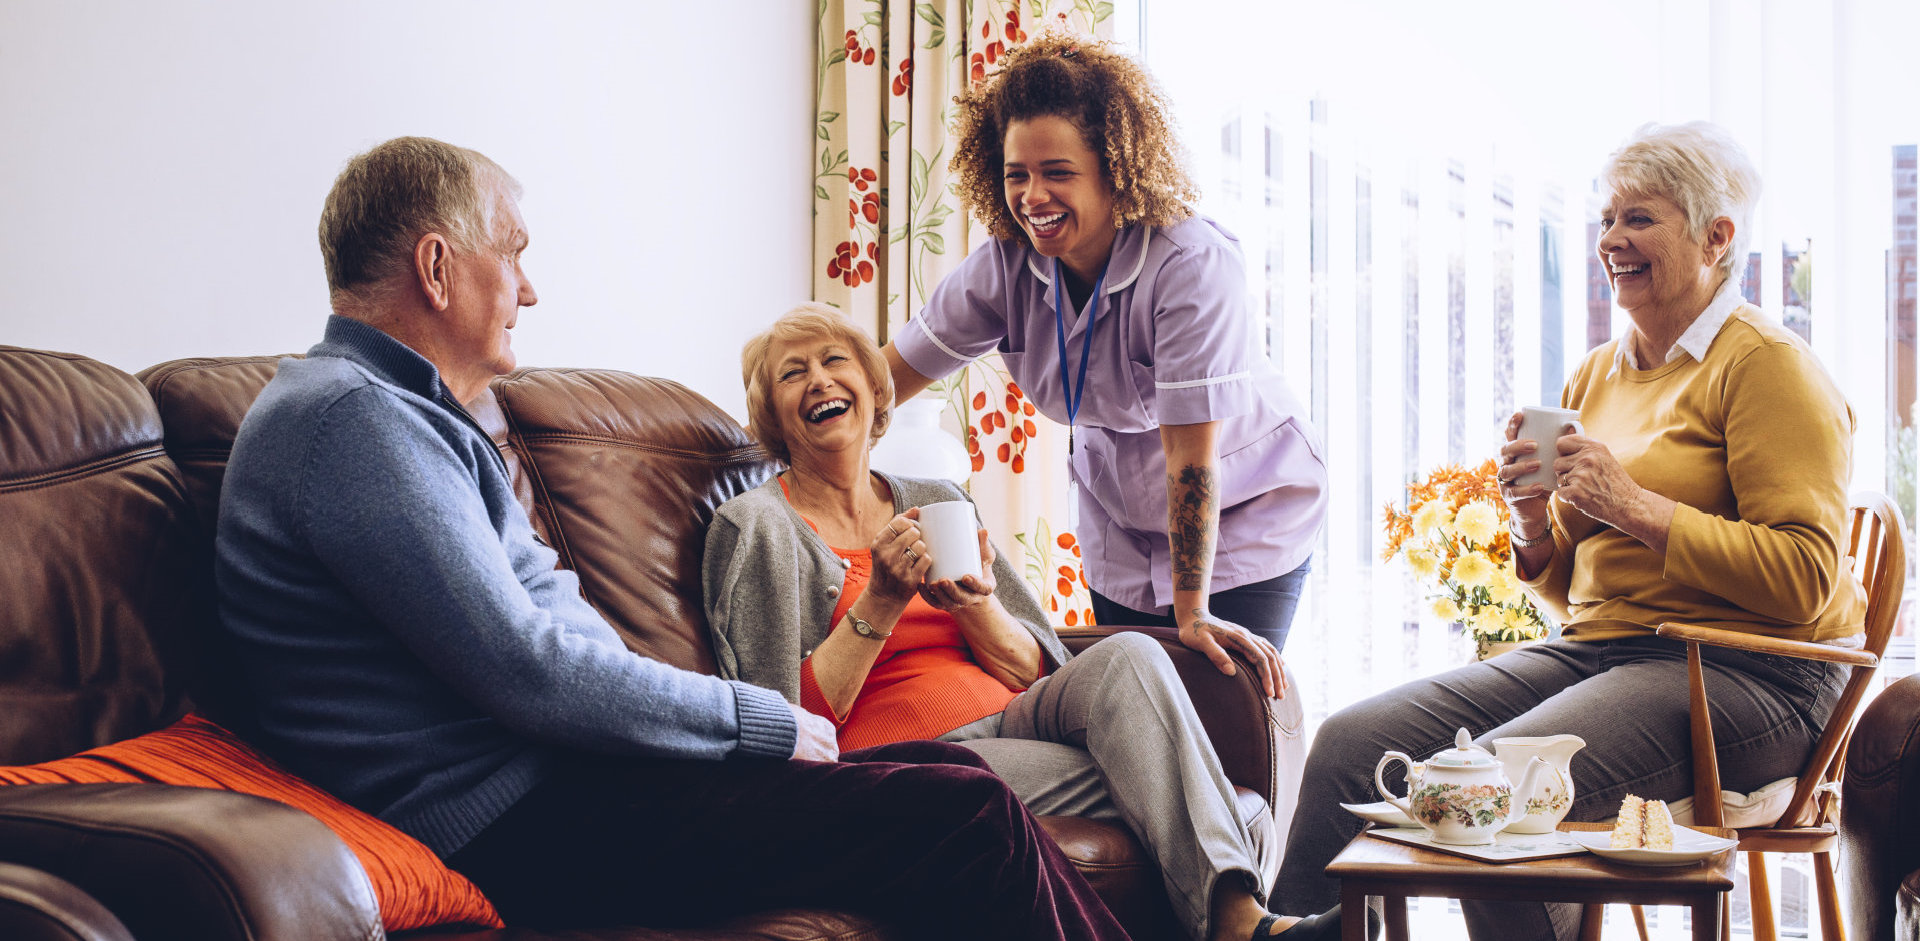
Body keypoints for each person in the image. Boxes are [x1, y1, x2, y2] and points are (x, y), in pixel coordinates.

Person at [215, 136, 1130, 939]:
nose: (529, 289)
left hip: (572, 781)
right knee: (961, 811)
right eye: (514, 254)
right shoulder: (351, 420)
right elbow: (529, 667)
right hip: (519, 818)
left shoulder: (413, 417)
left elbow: (555, 644)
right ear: (438, 267)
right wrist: (753, 720)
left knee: (944, 774)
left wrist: (704, 731)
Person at [1270, 121, 1864, 941]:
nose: (1611, 241)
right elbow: (1573, 590)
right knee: (1348, 743)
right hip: (1610, 647)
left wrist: (1633, 505)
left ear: (1716, 238)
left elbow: (1803, 579)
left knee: (1498, 782)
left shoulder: (1766, 364)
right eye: (1607, 220)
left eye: (1639, 219)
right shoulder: (1599, 371)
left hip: (1755, 673)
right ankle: (1292, 934)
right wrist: (1532, 527)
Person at [704, 303, 1355, 941]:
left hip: (1017, 721)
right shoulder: (758, 525)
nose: (818, 378)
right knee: (1211, 797)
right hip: (899, 760)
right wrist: (881, 599)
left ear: (875, 390)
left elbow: (1041, 667)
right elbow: (781, 722)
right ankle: (1245, 924)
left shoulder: (936, 498)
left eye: (834, 359)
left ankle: (1247, 920)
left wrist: (974, 602)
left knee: (1130, 655)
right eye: (793, 373)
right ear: (774, 417)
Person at [881, 33, 1326, 685]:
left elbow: (1191, 460)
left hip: (1242, 514)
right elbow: (880, 380)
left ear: (1115, 169)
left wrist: (1193, 610)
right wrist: (778, 441)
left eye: (1058, 173)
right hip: (1120, 524)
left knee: (1222, 711)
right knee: (1138, 716)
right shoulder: (1004, 267)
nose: (1033, 196)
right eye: (1017, 175)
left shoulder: (1189, 265)